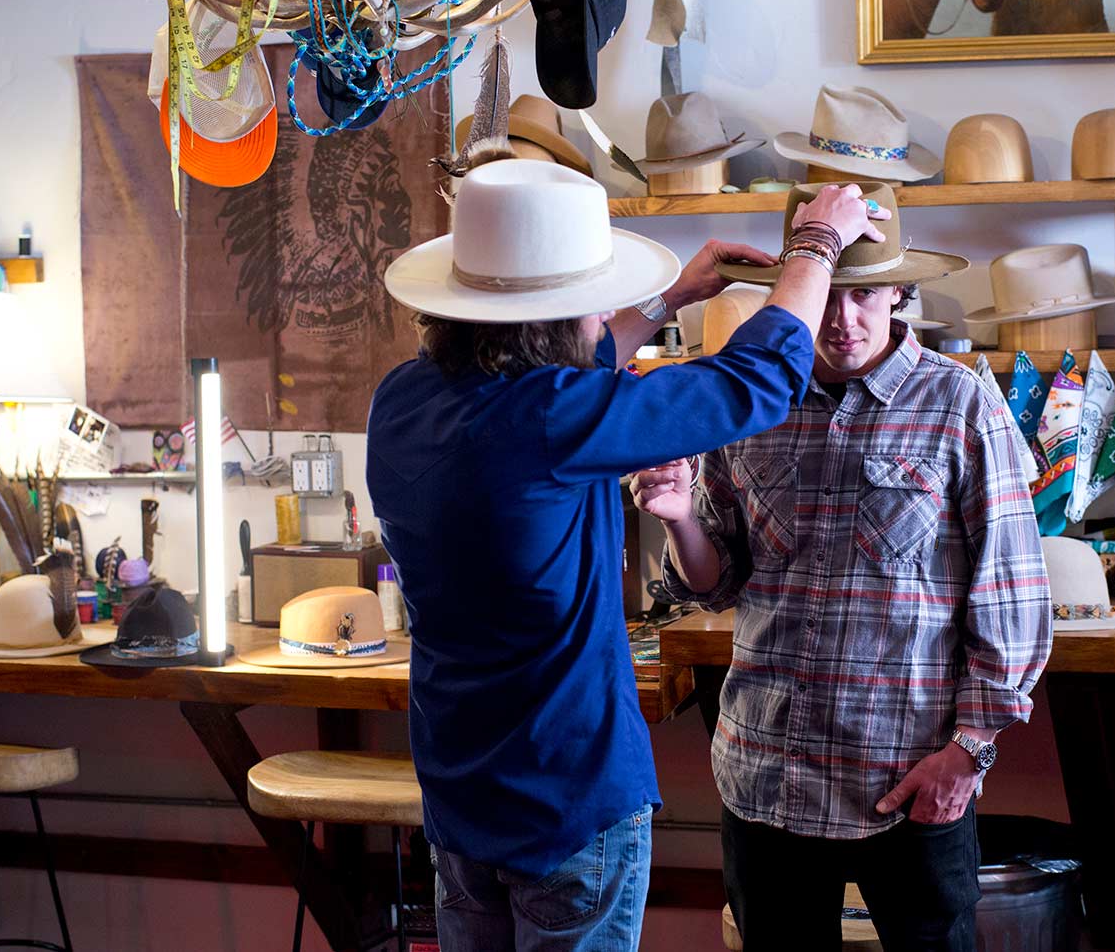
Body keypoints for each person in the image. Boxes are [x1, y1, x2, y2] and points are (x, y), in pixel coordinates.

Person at [366, 157, 888, 952]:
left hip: (459, 800)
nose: (600, 316)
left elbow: (556, 379)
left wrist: (671, 298)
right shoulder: (554, 418)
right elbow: (758, 381)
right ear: (557, 319)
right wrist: (816, 243)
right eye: (590, 305)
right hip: (567, 799)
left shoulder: (403, 398)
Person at [636, 185, 1053, 952]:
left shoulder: (959, 403)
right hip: (767, 775)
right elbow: (715, 582)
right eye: (829, 291)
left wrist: (966, 754)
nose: (841, 318)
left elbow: (1014, 596)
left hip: (906, 777)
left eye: (864, 294)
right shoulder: (754, 397)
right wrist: (683, 518)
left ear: (900, 291)